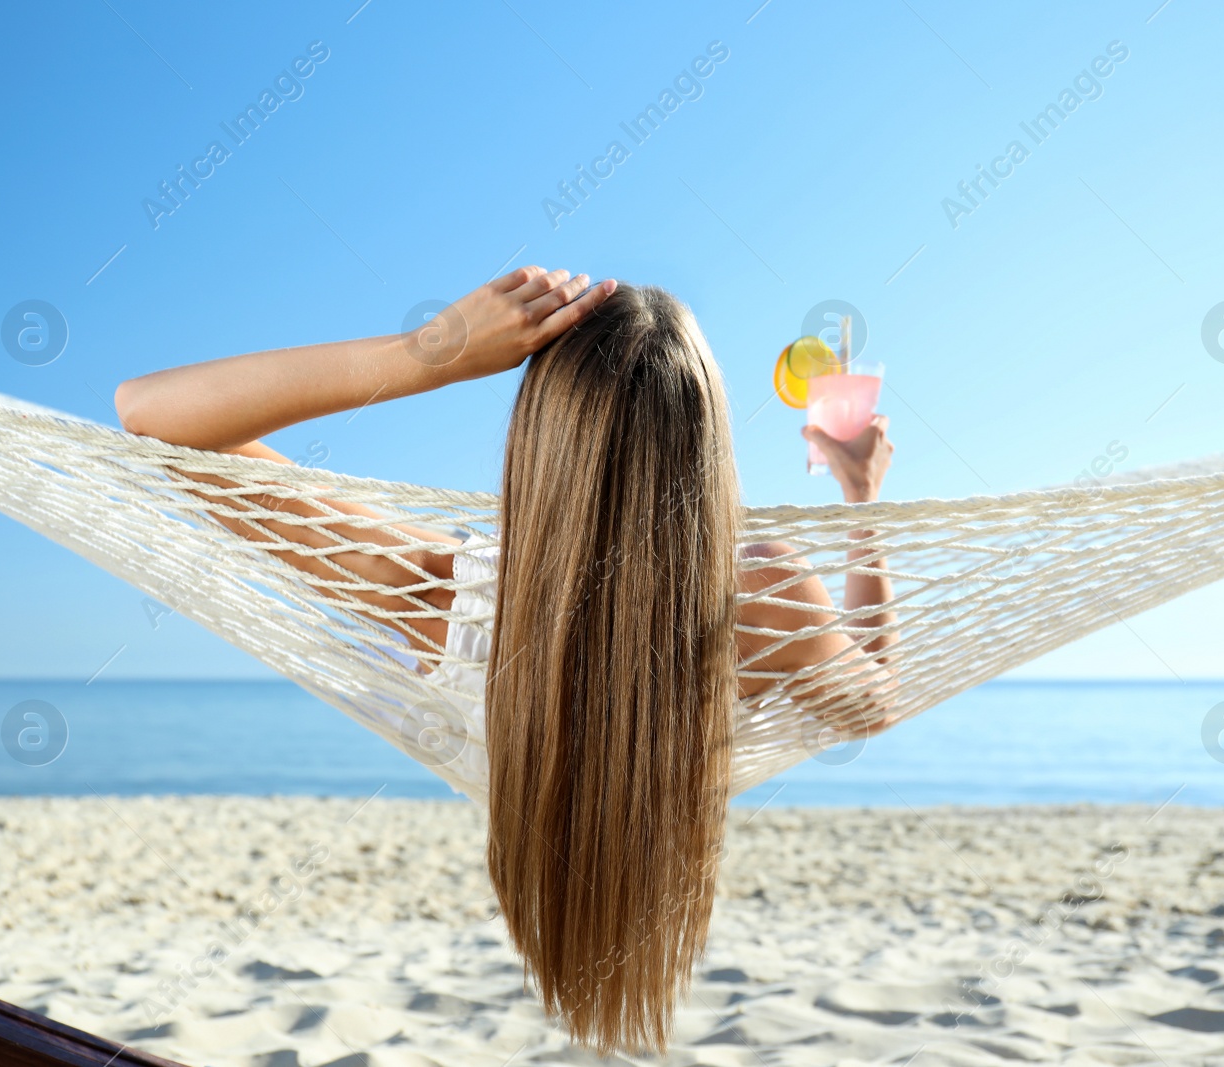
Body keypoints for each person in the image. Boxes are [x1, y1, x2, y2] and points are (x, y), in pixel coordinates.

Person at [114, 267, 898, 1053]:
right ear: (706, 444)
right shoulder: (765, 598)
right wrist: (861, 496)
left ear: (541, 437)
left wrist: (430, 352)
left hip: (544, 914)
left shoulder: (442, 597)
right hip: (651, 947)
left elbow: (147, 414)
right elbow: (874, 700)